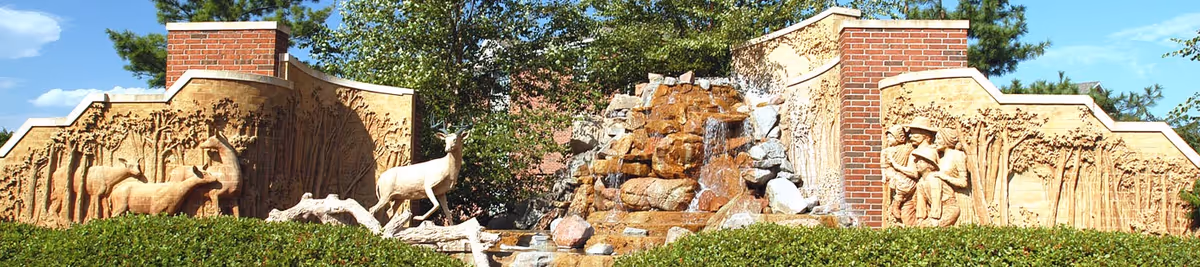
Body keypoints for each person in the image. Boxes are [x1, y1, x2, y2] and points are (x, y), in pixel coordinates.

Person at [915, 128, 969, 227]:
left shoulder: (957, 155)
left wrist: (945, 177)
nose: (936, 142)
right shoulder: (940, 158)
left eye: (939, 139)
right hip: (938, 200)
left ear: (947, 139)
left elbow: (964, 182)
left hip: (956, 197)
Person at [892, 116, 938, 225]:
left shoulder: (928, 151)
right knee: (909, 215)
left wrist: (896, 166)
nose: (911, 136)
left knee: (911, 214)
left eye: (915, 133)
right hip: (916, 189)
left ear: (926, 136)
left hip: (926, 187)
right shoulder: (915, 150)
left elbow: (914, 173)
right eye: (911, 133)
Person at [883, 125, 915, 222]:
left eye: (891, 136)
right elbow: (884, 165)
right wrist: (884, 176)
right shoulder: (886, 151)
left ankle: (898, 202)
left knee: (911, 184)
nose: (888, 139)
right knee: (903, 183)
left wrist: (908, 131)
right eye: (887, 137)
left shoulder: (906, 148)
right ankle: (896, 204)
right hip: (892, 172)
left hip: (903, 172)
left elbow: (911, 143)